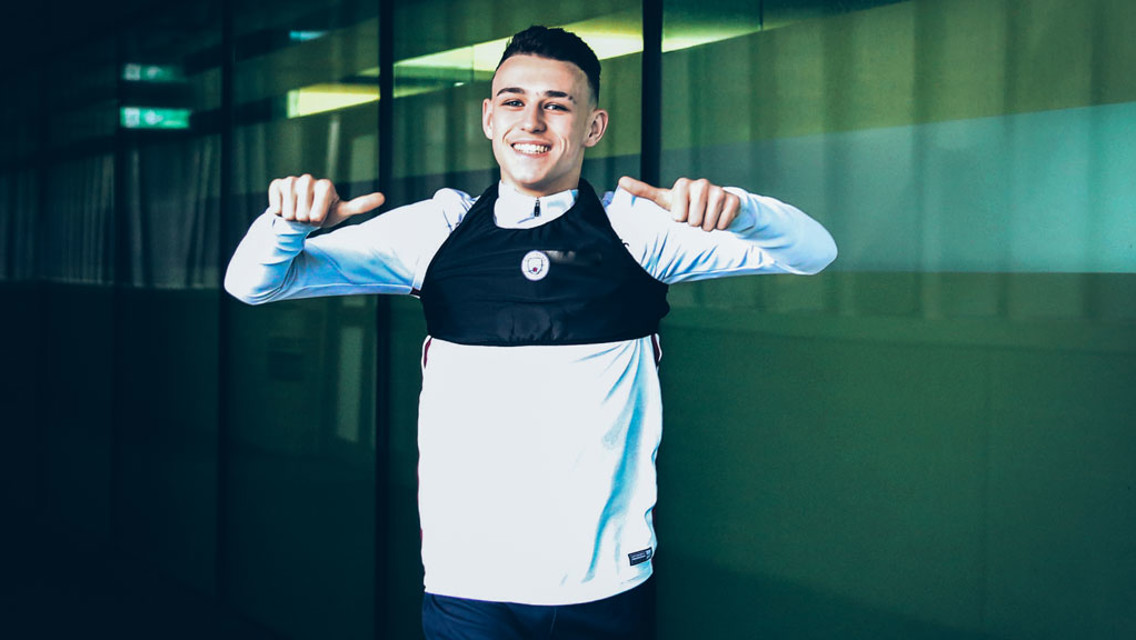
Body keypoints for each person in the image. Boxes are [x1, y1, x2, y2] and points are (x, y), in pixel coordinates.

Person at [226, 25, 836, 640]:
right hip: (466, 584)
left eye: (557, 105)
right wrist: (285, 222)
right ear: (489, 118)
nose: (533, 122)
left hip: (602, 584)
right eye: (515, 102)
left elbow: (814, 251)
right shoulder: (436, 230)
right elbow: (252, 283)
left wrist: (740, 208)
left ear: (593, 127)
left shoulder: (639, 232)